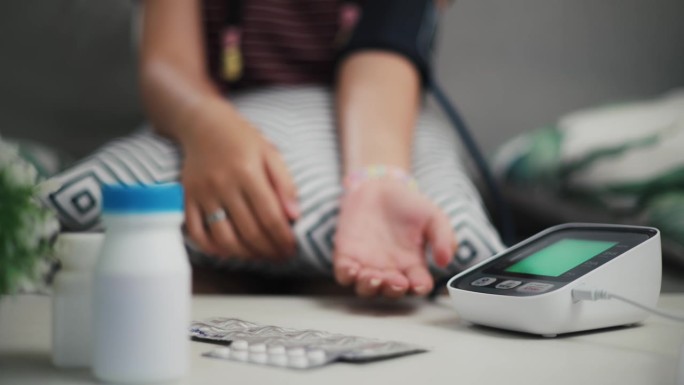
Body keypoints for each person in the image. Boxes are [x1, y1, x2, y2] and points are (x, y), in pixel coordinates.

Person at [42, 0, 503, 298]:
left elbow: (385, 51)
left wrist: (376, 177)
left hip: (373, 121)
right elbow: (166, 64)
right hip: (213, 113)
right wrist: (209, 129)